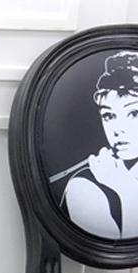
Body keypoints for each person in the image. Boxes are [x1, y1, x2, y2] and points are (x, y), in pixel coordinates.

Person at [53, 50, 138, 239]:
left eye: (134, 114)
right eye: (109, 116)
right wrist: (125, 190)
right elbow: (115, 252)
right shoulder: (84, 186)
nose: (118, 129)